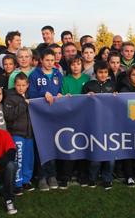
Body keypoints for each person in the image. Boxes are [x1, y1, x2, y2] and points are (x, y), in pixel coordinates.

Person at [28, 49, 63, 191]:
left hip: (54, 116)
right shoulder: (34, 74)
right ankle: (41, 176)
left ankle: (52, 175)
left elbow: (61, 89)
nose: (50, 63)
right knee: (41, 146)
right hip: (39, 116)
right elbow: (31, 93)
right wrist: (44, 93)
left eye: (52, 60)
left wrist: (60, 94)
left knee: (53, 144)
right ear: (41, 60)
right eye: (47, 60)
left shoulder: (57, 74)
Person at [82, 61, 116, 190]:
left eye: (105, 72)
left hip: (110, 124)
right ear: (95, 73)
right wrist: (86, 97)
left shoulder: (112, 85)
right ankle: (92, 177)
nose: (103, 75)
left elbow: (119, 104)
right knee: (95, 153)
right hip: (94, 124)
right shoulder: (89, 85)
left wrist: (117, 97)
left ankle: (107, 178)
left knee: (110, 154)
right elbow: (80, 102)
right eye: (100, 72)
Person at [60, 55, 90, 188]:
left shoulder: (87, 79)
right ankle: (66, 175)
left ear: (82, 65)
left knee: (83, 145)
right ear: (69, 66)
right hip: (69, 117)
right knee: (69, 146)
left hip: (84, 117)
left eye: (78, 64)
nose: (75, 67)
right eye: (72, 64)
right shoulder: (65, 80)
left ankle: (82, 175)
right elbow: (62, 97)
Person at [3, 73, 35, 195]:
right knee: (19, 159)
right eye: (18, 85)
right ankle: (17, 183)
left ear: (27, 85)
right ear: (14, 85)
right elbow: (9, 116)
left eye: (23, 85)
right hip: (17, 133)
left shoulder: (30, 95)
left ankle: (26, 181)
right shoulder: (10, 98)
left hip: (29, 133)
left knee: (28, 159)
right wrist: (23, 104)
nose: (21, 87)